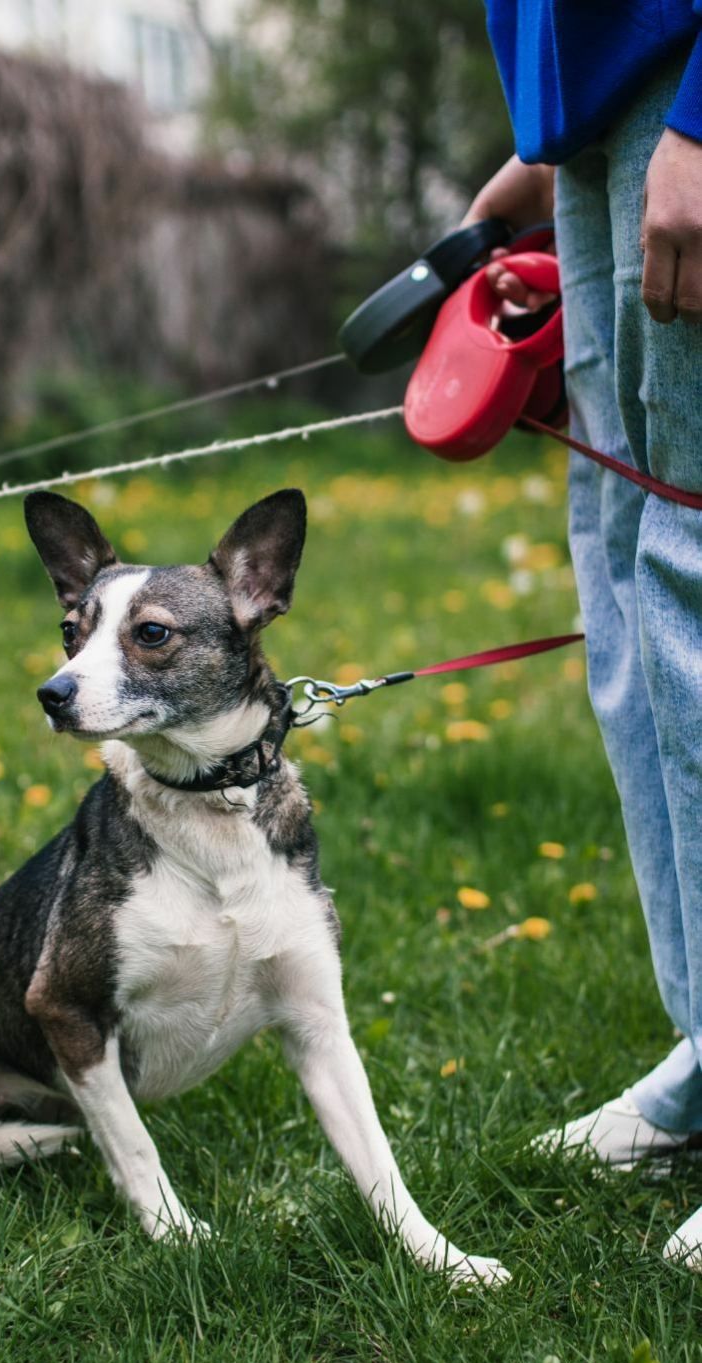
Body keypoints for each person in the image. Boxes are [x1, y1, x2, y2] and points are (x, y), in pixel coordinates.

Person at [463, 3, 702, 1266]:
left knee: (694, 578)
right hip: (610, 126)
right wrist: (549, 131)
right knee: (629, 586)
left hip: (682, 103)